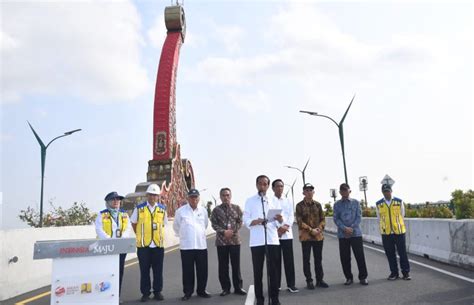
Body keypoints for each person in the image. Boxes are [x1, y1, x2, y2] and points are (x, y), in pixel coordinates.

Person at [243, 175, 283, 305]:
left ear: (268, 186)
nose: (262, 186)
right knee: (258, 271)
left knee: (274, 271)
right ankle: (260, 299)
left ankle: (275, 298)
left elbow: (279, 223)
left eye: (265, 184)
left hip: (272, 239)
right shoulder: (250, 201)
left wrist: (280, 220)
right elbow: (246, 220)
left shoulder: (273, 200)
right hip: (256, 241)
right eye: (260, 184)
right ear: (256, 185)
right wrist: (254, 221)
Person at [131, 184, 167, 302]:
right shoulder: (139, 208)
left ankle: (157, 291)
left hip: (158, 245)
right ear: (147, 195)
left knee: (158, 270)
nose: (152, 197)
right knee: (144, 270)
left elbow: (164, 224)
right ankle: (145, 293)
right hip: (143, 246)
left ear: (158, 197)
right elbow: (134, 223)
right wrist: (141, 235)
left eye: (155, 195)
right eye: (151, 195)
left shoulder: (162, 209)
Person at [173, 189, 211, 301]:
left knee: (202, 270)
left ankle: (201, 290)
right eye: (191, 197)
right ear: (188, 198)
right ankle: (188, 292)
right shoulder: (180, 211)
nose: (194, 199)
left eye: (196, 197)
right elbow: (176, 227)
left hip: (201, 245)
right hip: (186, 246)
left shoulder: (203, 211)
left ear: (199, 198)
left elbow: (205, 225)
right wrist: (186, 235)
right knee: (187, 271)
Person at [95, 191, 133, 296]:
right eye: (113, 199)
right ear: (108, 202)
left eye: (118, 199)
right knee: (106, 272)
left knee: (119, 272)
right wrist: (111, 241)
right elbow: (99, 230)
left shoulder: (124, 214)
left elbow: (128, 228)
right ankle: (105, 296)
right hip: (106, 248)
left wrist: (121, 239)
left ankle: (116, 296)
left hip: (121, 247)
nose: (116, 201)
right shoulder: (101, 215)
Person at [210, 187, 247, 296]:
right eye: (223, 195)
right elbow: (213, 224)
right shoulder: (216, 210)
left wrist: (233, 231)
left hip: (235, 241)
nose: (226, 197)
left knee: (236, 266)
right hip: (221, 242)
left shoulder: (237, 208)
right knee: (223, 266)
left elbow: (240, 222)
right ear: (220, 197)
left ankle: (238, 288)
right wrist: (223, 232)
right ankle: (225, 288)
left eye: (227, 195)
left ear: (230, 196)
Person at [294, 183, 329, 290]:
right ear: (303, 192)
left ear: (313, 192)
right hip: (306, 237)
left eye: (311, 190)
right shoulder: (299, 205)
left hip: (318, 236)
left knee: (318, 259)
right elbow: (299, 221)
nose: (309, 192)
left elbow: (323, 219)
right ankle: (309, 281)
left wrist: (319, 229)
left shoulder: (318, 205)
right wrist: (311, 230)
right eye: (307, 190)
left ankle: (319, 280)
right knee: (306, 260)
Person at [333, 183, 369, 286]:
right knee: (345, 257)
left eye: (346, 190)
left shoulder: (356, 203)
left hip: (355, 233)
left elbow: (359, 217)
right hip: (342, 234)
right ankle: (348, 277)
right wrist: (344, 228)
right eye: (342, 190)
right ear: (340, 192)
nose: (344, 192)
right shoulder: (337, 205)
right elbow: (336, 218)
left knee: (359, 256)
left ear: (350, 191)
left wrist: (351, 228)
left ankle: (363, 277)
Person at [376, 184, 411, 280]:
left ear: (391, 191)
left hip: (399, 232)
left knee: (402, 253)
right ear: (382, 192)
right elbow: (379, 218)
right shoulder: (379, 204)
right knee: (390, 254)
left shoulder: (399, 201)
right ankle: (394, 273)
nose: (387, 193)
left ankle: (406, 273)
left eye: (388, 191)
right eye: (384, 191)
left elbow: (402, 215)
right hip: (386, 233)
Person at [272, 179, 298, 293]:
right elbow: (271, 217)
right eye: (277, 186)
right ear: (273, 188)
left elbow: (291, 216)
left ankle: (291, 285)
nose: (280, 188)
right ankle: (276, 285)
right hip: (274, 235)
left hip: (287, 235)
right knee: (275, 261)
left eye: (282, 186)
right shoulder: (269, 201)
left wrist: (284, 227)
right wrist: (279, 228)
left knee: (289, 261)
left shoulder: (288, 201)